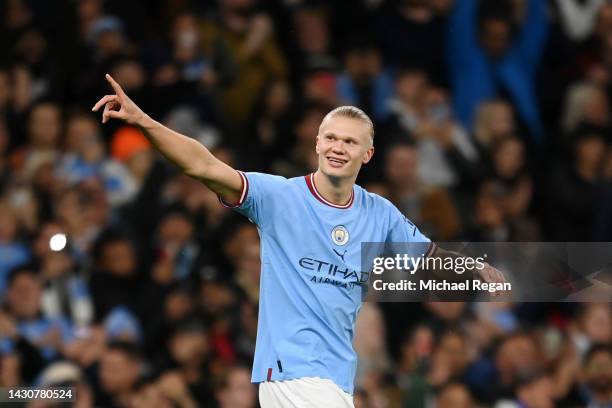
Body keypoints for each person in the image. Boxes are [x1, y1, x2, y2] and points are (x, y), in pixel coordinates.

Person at [92, 74, 505, 407]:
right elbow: (203, 165)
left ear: (368, 154)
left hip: (336, 379)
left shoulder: (381, 214)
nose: (337, 147)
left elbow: (429, 257)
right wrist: (145, 122)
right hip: (292, 373)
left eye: (349, 141)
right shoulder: (280, 197)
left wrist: (478, 270)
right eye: (330, 138)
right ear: (317, 144)